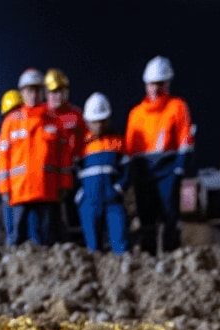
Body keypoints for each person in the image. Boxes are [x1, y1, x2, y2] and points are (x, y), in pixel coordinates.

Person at [125, 55, 194, 253]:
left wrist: (180, 167)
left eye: (159, 84)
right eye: (151, 84)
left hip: (168, 169)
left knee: (169, 215)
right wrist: (130, 175)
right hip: (143, 171)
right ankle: (148, 259)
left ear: (167, 84)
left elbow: (185, 139)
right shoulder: (136, 114)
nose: (155, 89)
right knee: (146, 216)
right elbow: (130, 149)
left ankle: (172, 258)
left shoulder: (177, 107)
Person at [0, 68, 71, 246]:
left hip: (47, 191)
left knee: (48, 238)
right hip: (19, 191)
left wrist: (65, 184)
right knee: (16, 238)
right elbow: (3, 158)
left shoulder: (54, 121)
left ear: (43, 92)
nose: (33, 95)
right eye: (29, 90)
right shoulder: (11, 122)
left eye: (37, 90)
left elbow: (64, 158)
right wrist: (4, 188)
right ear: (22, 92)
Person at [76, 93, 131, 254]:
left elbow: (128, 170)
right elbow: (73, 172)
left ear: (108, 120)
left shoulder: (118, 142)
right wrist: (80, 195)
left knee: (120, 243)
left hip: (113, 200)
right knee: (92, 247)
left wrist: (119, 189)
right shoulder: (81, 145)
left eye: (102, 121)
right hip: (89, 202)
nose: (98, 125)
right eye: (94, 122)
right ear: (87, 121)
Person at [45, 68, 86, 241]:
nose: (57, 96)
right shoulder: (42, 116)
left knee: (74, 207)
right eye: (53, 92)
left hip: (73, 170)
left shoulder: (76, 115)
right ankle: (54, 243)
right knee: (51, 211)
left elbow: (86, 141)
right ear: (46, 93)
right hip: (51, 173)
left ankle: (78, 243)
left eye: (60, 91)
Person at [0, 88, 23, 245]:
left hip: (17, 189)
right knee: (14, 230)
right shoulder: (5, 134)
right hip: (14, 189)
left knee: (16, 231)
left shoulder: (6, 133)